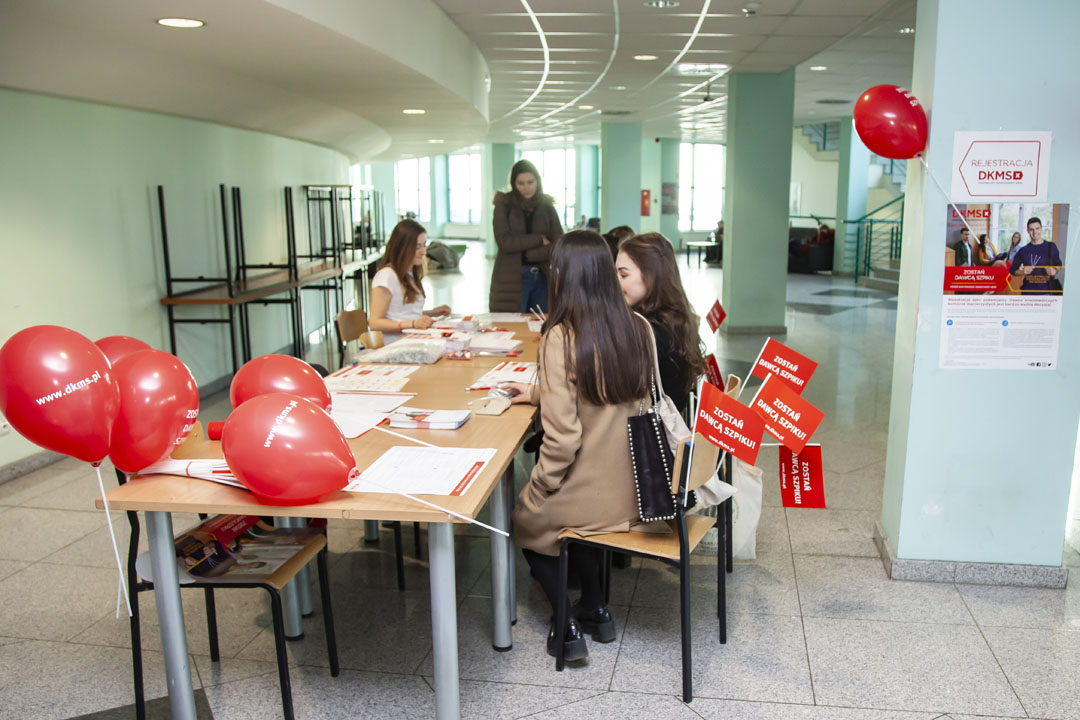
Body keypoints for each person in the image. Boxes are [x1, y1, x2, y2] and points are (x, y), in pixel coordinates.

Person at [504, 230, 652, 663]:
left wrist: (539, 486)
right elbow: (604, 395)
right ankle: (596, 607)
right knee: (576, 524)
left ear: (561, 275)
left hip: (586, 489)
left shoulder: (560, 337)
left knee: (527, 519)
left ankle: (565, 623)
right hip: (630, 493)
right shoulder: (635, 328)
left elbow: (564, 439)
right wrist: (539, 393)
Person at [616, 232, 706, 414]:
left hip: (649, 433)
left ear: (651, 275)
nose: (615, 282)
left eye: (623, 275)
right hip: (673, 425)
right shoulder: (677, 317)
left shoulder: (646, 330)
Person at [490, 159, 564, 313]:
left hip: (543, 277)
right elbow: (504, 242)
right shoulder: (503, 205)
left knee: (541, 326)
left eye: (530, 182)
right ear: (513, 183)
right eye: (520, 183)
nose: (526, 188)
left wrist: (528, 254)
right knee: (512, 326)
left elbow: (558, 244)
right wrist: (538, 239)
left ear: (537, 181)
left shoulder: (547, 205)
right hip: (512, 278)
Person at [368, 219, 451, 342]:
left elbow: (403, 313)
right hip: (395, 346)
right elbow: (374, 323)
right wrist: (412, 324)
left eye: (424, 245)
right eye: (417, 247)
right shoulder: (386, 276)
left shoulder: (410, 274)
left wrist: (432, 313)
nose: (423, 252)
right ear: (402, 247)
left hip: (412, 340)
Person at [1010, 216, 1063, 295]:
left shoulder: (1051, 246)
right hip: (1027, 293)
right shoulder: (1023, 250)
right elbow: (1012, 270)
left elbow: (1059, 264)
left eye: (1037, 228)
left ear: (1041, 229)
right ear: (1028, 231)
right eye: (1031, 230)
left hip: (1046, 293)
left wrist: (1055, 270)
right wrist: (1022, 272)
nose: (1035, 232)